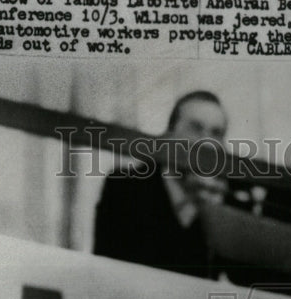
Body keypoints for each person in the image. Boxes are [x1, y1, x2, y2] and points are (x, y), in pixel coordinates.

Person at [93, 89, 228, 278]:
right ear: (169, 135)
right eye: (195, 128)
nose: (206, 142)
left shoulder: (228, 202)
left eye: (216, 133)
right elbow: (108, 269)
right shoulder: (125, 187)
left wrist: (214, 217)